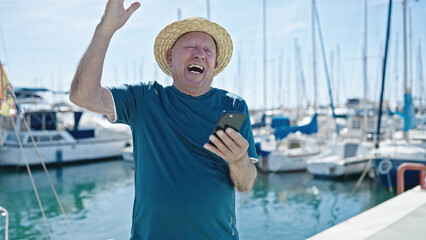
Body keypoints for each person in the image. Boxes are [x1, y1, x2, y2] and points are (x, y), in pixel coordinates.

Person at [69, 0, 258, 239]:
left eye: (208, 50)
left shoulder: (232, 106)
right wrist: (104, 31)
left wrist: (239, 159)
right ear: (170, 58)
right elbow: (82, 95)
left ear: (215, 64)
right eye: (190, 47)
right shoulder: (144, 99)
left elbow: (246, 183)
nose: (200, 54)